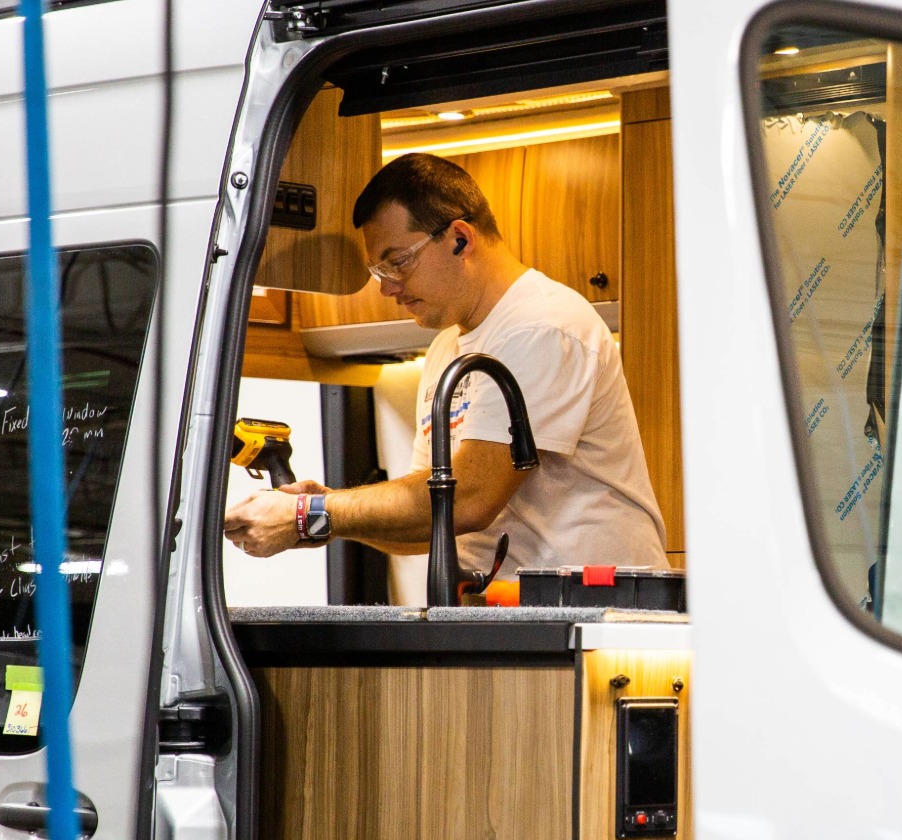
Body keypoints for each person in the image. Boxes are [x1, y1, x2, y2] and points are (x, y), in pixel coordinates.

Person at [223, 152, 667, 581]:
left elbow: (469, 498)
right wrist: (320, 516)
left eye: (398, 262)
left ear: (460, 238)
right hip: (508, 608)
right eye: (380, 271)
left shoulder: (542, 325)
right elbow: (430, 519)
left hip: (588, 608)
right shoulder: (444, 351)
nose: (388, 289)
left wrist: (308, 515)